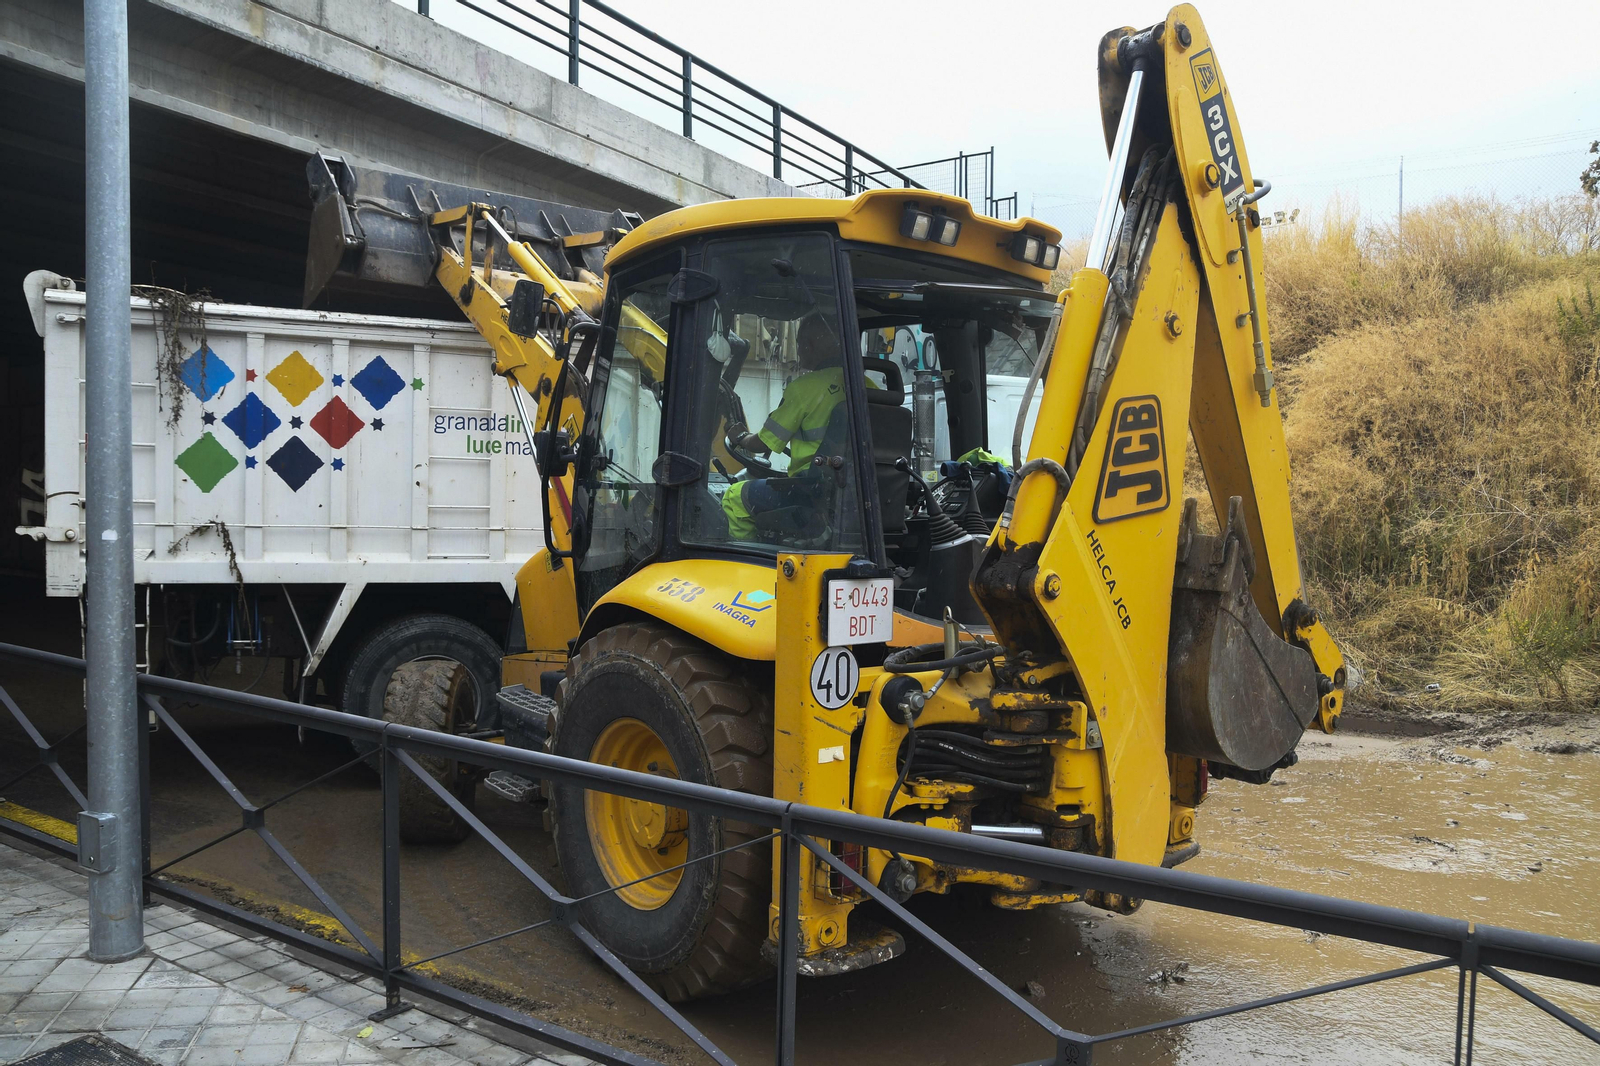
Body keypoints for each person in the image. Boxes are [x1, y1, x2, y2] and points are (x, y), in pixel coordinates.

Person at [722, 315, 865, 540]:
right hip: (855, 495)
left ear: (809, 345)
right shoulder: (866, 385)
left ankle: (746, 559)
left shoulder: (803, 389)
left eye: (799, 343)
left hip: (810, 492)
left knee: (734, 497)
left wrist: (740, 437)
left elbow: (762, 444)